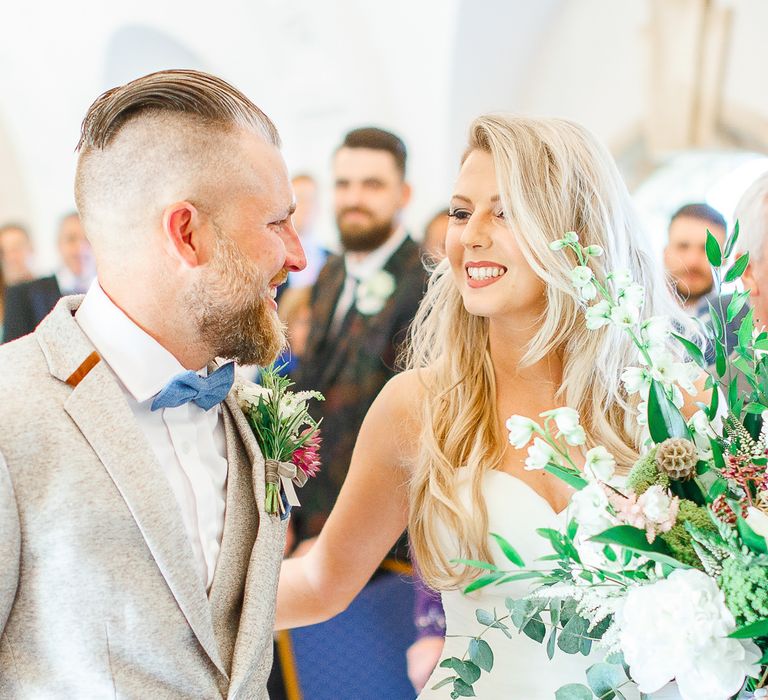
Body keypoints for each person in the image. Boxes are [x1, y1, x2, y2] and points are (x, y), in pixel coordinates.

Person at [276, 115, 694, 698]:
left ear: (575, 231)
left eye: (504, 211)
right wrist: (172, 606)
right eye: (461, 211)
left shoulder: (671, 404)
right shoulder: (418, 407)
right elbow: (322, 581)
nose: (471, 234)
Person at [0, 69, 305, 698]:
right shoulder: (12, 411)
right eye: (277, 223)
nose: (298, 256)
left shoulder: (248, 414)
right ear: (187, 234)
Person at [664, 202, 742, 363]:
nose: (692, 261)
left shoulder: (739, 326)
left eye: (707, 249)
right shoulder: (637, 319)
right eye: (683, 246)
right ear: (665, 253)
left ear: (724, 259)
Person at [3, 212, 95, 342]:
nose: (80, 248)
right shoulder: (23, 295)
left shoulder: (112, 292)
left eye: (87, 239)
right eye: (71, 239)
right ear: (58, 244)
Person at [287, 173, 327, 289]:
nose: (306, 207)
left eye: (311, 200)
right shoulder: (275, 256)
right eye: (300, 199)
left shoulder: (332, 260)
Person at [0, 223, 35, 331]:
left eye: (17, 248)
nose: (11, 257)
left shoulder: (47, 293)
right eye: (4, 251)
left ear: (31, 248)